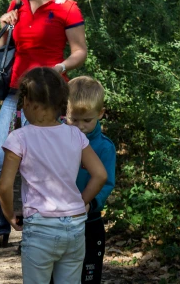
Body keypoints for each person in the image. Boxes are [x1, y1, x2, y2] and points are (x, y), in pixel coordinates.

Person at [0, 0, 88, 249]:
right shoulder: (18, 4)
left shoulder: (69, 8)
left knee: (46, 163)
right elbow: (0, 49)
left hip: (50, 95)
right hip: (16, 92)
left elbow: (80, 53)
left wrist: (59, 66)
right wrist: (5, 25)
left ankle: (40, 227)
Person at [0, 67, 107, 283]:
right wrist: (80, 201)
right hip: (76, 227)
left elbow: (4, 186)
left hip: (40, 228)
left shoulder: (19, 138)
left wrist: (10, 215)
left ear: (28, 102)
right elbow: (100, 175)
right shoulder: (75, 134)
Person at [55, 76, 116, 284]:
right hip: (57, 221)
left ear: (100, 114)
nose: (79, 126)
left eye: (87, 120)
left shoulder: (104, 147)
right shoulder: (56, 139)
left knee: (88, 276)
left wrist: (92, 203)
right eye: (73, 119)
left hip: (89, 222)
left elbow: (107, 183)